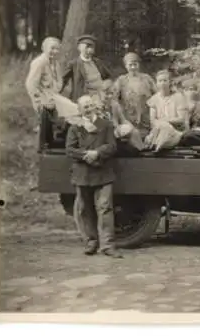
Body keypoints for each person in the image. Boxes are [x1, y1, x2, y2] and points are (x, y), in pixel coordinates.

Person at [65, 95, 122, 258]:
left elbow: (112, 146)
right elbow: (69, 150)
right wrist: (85, 155)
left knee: (105, 208)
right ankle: (91, 242)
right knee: (84, 209)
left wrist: (97, 153)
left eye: (90, 105)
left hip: (103, 171)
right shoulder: (75, 127)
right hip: (82, 173)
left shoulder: (106, 125)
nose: (88, 109)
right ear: (79, 109)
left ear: (95, 107)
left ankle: (108, 245)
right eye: (85, 107)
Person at [113, 52, 156, 141]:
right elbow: (114, 97)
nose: (133, 67)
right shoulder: (121, 80)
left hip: (145, 113)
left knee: (147, 134)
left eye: (135, 64)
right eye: (130, 65)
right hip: (129, 114)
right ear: (126, 66)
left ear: (139, 65)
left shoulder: (147, 78)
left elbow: (156, 94)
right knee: (132, 134)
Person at [60, 34, 114, 102]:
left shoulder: (98, 62)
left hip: (100, 97)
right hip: (84, 98)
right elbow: (63, 80)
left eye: (92, 47)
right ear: (79, 48)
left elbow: (108, 77)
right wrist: (55, 93)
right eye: (87, 47)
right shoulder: (74, 64)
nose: (90, 50)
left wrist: (107, 84)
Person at [146, 69, 189, 151]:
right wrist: (162, 124)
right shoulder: (154, 99)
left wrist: (166, 121)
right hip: (159, 130)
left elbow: (181, 119)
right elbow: (153, 120)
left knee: (166, 127)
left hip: (176, 131)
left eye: (165, 80)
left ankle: (158, 145)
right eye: (160, 81)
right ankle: (157, 143)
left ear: (170, 82)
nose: (162, 83)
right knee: (162, 128)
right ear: (157, 83)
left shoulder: (178, 97)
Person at [25, 37, 62, 131]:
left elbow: (58, 81)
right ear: (44, 48)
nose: (55, 51)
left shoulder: (56, 63)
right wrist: (38, 102)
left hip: (53, 99)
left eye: (57, 49)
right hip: (43, 100)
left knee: (53, 127)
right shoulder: (39, 63)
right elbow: (31, 84)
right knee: (44, 129)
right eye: (52, 48)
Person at [98, 79, 146, 151]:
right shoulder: (98, 106)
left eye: (111, 93)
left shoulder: (115, 104)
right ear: (100, 93)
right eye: (106, 93)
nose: (109, 96)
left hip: (116, 129)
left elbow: (123, 119)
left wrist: (131, 127)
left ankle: (141, 149)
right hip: (105, 132)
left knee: (134, 131)